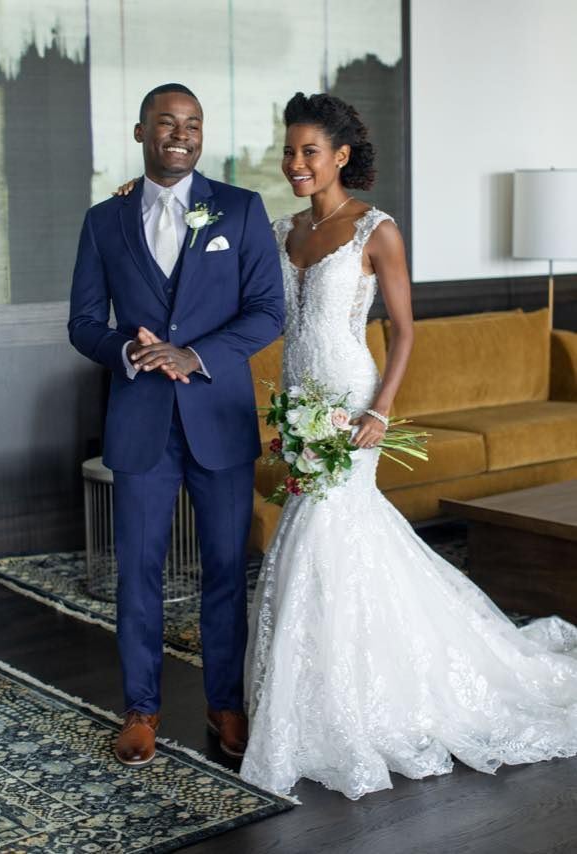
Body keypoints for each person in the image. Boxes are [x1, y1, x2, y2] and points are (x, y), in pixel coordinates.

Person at [237, 92, 577, 799]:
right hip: (303, 401)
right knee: (317, 534)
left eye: (308, 151)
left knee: (323, 531)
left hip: (355, 403)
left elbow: (406, 329)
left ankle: (343, 705)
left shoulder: (376, 231)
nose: (294, 162)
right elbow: (280, 326)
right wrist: (281, 411)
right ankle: (318, 696)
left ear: (340, 157)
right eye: (289, 150)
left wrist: (381, 413)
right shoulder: (282, 229)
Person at [69, 83, 284, 766]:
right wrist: (128, 351)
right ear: (141, 133)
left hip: (217, 419)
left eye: (192, 124)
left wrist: (194, 354)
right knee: (138, 570)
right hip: (139, 422)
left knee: (226, 568)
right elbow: (82, 323)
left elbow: (266, 312)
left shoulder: (241, 211)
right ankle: (141, 711)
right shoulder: (105, 221)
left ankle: (226, 704)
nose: (181, 134)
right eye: (167, 123)